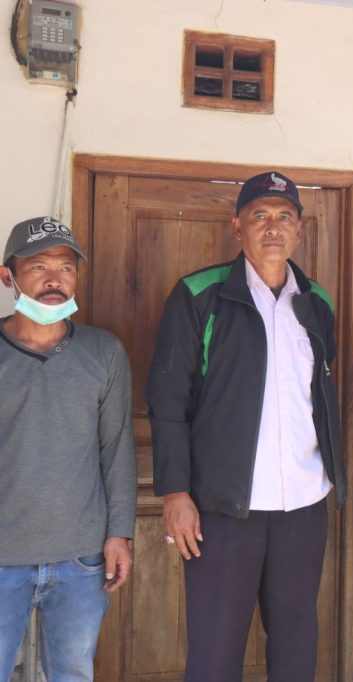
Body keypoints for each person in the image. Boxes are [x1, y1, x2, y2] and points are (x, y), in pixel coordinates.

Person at [147, 171, 345, 682]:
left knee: (296, 646)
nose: (272, 227)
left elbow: (317, 395)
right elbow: (167, 400)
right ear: (238, 226)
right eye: (260, 216)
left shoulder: (316, 303)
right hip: (223, 509)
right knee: (214, 653)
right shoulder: (199, 295)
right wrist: (174, 493)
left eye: (284, 217)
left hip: (303, 504)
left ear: (299, 230)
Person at [0, 217, 135, 681]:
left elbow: (116, 449)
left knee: (73, 675)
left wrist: (120, 533)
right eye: (38, 266)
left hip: (81, 560)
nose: (54, 279)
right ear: (7, 276)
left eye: (66, 267)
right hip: (1, 558)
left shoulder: (104, 353)